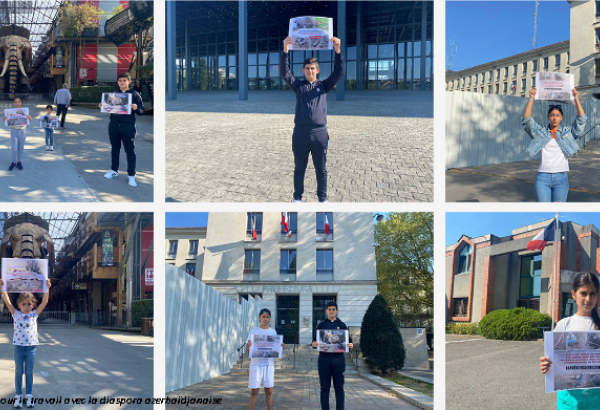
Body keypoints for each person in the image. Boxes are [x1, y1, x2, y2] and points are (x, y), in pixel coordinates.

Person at [280, 36, 344, 203]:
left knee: (321, 169)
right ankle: (297, 198)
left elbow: (339, 72)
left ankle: (322, 199)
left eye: (312, 68)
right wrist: (285, 51)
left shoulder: (324, 86)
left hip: (320, 133)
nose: (309, 71)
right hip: (300, 133)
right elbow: (284, 73)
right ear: (303, 71)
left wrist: (338, 51)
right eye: (307, 68)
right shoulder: (299, 86)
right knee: (299, 168)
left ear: (317, 70)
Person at [540, 272, 600, 409]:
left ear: (597, 296)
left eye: (593, 293)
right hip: (569, 399)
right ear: (573, 294)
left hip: (597, 398)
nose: (588, 298)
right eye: (583, 293)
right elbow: (553, 360)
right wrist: (547, 366)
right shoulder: (564, 325)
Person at [522, 87, 586, 202]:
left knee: (558, 212)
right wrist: (531, 98)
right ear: (548, 117)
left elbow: (581, 121)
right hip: (542, 178)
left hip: (561, 178)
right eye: (552, 115)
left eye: (557, 115)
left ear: (561, 118)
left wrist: (576, 98)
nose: (554, 117)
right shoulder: (541, 133)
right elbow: (527, 121)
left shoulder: (567, 133)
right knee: (544, 212)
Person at [1, 278, 51, 409]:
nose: (26, 307)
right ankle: (18, 396)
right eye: (24, 304)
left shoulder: (34, 314)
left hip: (31, 348)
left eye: (29, 304)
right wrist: (3, 288)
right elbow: (7, 301)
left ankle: (28, 396)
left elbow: (45, 301)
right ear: (19, 305)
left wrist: (47, 288)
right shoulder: (15, 314)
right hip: (18, 347)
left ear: (33, 305)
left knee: (29, 372)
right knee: (18, 372)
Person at [99, 72, 145, 188]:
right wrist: (102, 106)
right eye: (120, 80)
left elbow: (142, 111)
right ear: (118, 82)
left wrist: (136, 108)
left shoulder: (134, 94)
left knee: (130, 150)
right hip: (113, 125)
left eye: (125, 80)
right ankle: (114, 170)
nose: (122, 82)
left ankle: (131, 175)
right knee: (115, 149)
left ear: (129, 82)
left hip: (128, 126)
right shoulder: (114, 95)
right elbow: (109, 108)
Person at [312, 301, 354, 410]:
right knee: (324, 388)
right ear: (326, 311)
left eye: (333, 309)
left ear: (337, 311)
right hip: (324, 360)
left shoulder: (342, 325)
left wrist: (351, 345)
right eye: (329, 309)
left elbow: (349, 342)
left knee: (339, 388)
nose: (331, 311)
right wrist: (314, 344)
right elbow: (314, 342)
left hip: (339, 360)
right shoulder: (321, 325)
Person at [246, 308, 285, 410]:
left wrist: (280, 346)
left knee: (269, 390)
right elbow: (248, 349)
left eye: (267, 317)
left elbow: (275, 347)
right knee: (254, 391)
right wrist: (249, 347)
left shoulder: (272, 332)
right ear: (259, 318)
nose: (265, 319)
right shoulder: (254, 331)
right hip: (256, 364)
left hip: (269, 364)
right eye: (263, 316)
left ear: (270, 319)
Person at [4, 97, 33, 171]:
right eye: (16, 102)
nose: (17, 103)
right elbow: (7, 120)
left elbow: (29, 120)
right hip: (14, 130)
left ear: (21, 102)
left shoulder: (25, 111)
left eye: (19, 102)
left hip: (22, 130)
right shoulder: (11, 112)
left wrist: (29, 118)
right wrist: (5, 119)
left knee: (20, 147)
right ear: (14, 103)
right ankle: (13, 162)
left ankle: (19, 161)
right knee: (14, 147)